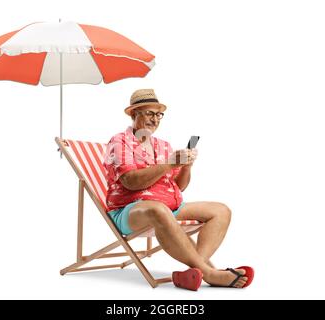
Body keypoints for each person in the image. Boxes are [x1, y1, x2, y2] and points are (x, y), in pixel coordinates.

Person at [103, 89, 253, 290]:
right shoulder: (119, 142)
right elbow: (131, 182)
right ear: (133, 114)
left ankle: (194, 271)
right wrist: (169, 165)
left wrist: (186, 166)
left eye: (158, 114)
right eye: (149, 113)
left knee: (221, 210)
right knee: (157, 209)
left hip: (170, 206)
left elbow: (179, 186)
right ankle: (210, 273)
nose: (155, 119)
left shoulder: (163, 145)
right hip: (130, 210)